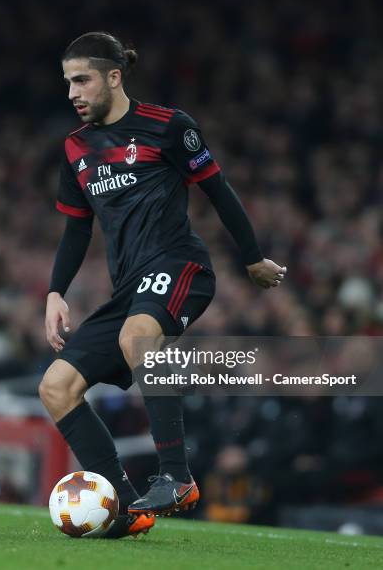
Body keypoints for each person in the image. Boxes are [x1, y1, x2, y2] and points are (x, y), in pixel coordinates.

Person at [40, 32, 287, 538]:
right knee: (56, 387)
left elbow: (218, 190)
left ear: (114, 76)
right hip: (129, 288)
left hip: (180, 265)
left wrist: (253, 258)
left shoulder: (168, 127)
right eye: (67, 83)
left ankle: (176, 476)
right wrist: (54, 293)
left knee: (137, 337)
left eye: (82, 79)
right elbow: (76, 227)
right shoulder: (75, 148)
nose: (72, 93)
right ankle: (125, 511)